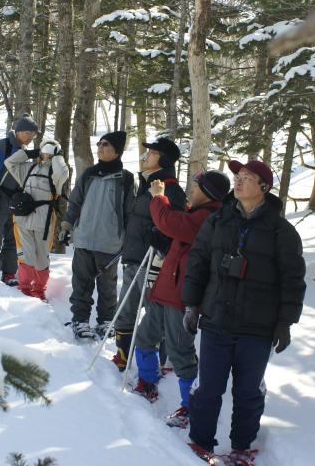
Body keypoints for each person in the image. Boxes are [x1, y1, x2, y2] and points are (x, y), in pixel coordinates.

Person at [182, 159, 306, 464]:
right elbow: (197, 262)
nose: (237, 181)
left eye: (246, 178)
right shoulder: (218, 221)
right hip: (216, 319)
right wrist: (190, 304)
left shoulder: (281, 231)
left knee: (248, 391)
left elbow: (293, 280)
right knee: (208, 387)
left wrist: (285, 322)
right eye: (237, 176)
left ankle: (242, 447)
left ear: (264, 188)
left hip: (258, 327)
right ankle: (200, 443)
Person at [132, 170, 231, 430]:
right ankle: (147, 381)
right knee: (144, 337)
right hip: (166, 289)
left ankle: (190, 406)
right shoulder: (195, 213)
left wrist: (158, 198)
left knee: (180, 352)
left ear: (207, 192)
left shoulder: (209, 216)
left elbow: (170, 223)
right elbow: (179, 241)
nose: (191, 190)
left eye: (196, 186)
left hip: (182, 297)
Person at [112, 137, 186, 370]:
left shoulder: (171, 190)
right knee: (125, 309)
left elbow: (175, 228)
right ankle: (123, 354)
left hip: (153, 264)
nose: (145, 156)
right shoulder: (146, 185)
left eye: (152, 153)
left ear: (163, 159)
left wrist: (161, 240)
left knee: (154, 317)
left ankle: (158, 365)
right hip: (134, 258)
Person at [61, 131, 134, 341]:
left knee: (107, 286)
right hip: (84, 239)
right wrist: (67, 225)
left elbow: (129, 213)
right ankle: (80, 320)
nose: (100, 148)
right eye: (99, 144)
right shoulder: (88, 174)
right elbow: (75, 203)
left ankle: (106, 321)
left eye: (105, 145)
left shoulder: (126, 179)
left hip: (110, 243)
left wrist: (127, 241)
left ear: (117, 151)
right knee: (81, 283)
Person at [4, 138, 69, 300]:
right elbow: (10, 163)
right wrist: (27, 153)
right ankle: (24, 289)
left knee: (41, 258)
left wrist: (57, 156)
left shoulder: (56, 173)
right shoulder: (29, 168)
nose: (46, 153)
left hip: (44, 221)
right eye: (44, 150)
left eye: (51, 151)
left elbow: (62, 173)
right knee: (26, 256)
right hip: (22, 219)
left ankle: (39, 291)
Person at [0, 114, 39, 286]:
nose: (31, 137)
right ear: (19, 131)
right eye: (29, 133)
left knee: (12, 238)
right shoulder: (2, 146)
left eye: (33, 134)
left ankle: (9, 273)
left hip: (15, 201)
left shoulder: (22, 150)